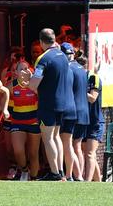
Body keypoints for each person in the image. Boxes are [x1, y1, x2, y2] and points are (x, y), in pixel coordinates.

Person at [21, 28, 74, 181]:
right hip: (63, 103)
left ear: (41, 42)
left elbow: (33, 85)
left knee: (48, 137)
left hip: (48, 104)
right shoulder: (62, 56)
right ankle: (59, 171)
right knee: (56, 137)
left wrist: (27, 81)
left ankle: (55, 173)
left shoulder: (43, 59)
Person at [8, 59, 41, 181]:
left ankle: (34, 178)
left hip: (34, 121)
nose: (24, 71)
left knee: (33, 154)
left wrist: (33, 85)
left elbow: (43, 98)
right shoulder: (12, 86)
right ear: (15, 72)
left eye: (26, 68)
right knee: (18, 150)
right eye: (20, 69)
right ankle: (24, 170)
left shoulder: (35, 84)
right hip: (17, 122)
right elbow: (3, 102)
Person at [61, 43, 90, 181]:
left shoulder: (68, 69)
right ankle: (80, 177)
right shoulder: (82, 69)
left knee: (68, 145)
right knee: (77, 146)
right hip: (84, 112)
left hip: (73, 111)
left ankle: (73, 175)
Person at [83, 55, 104, 182]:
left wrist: (79, 90)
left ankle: (87, 182)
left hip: (96, 121)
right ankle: (99, 183)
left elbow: (92, 98)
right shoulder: (80, 78)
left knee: (90, 153)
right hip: (86, 120)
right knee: (89, 153)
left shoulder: (94, 78)